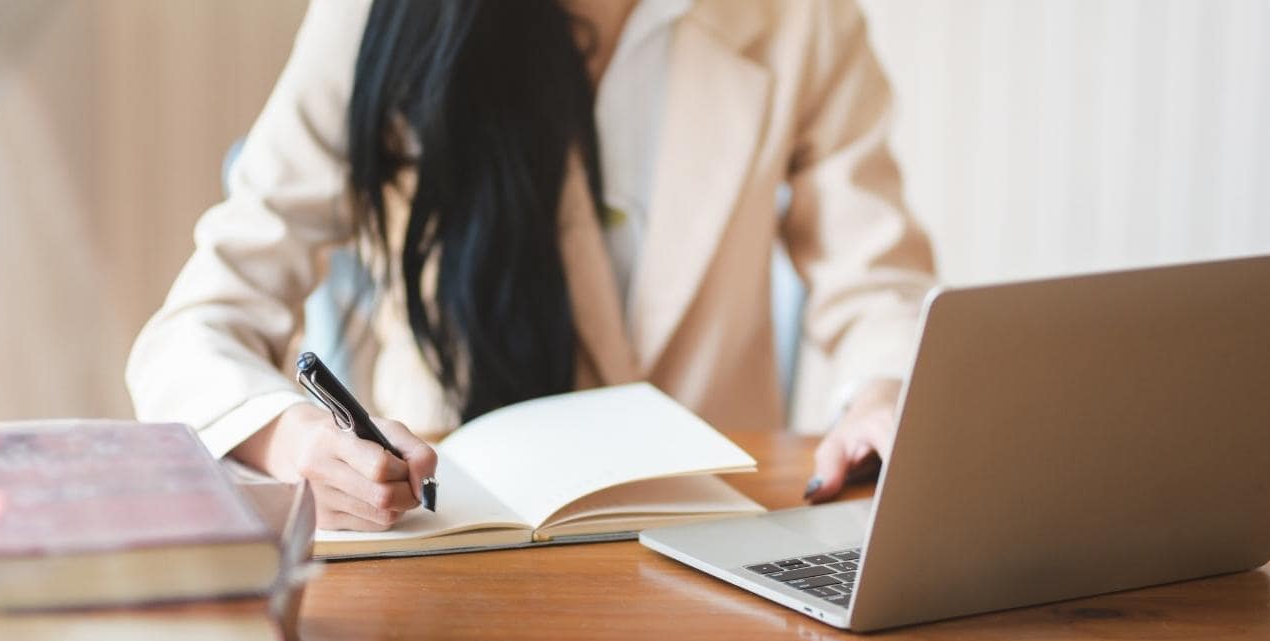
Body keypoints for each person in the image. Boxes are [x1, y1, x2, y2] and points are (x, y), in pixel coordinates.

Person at [127, 0, 935, 532]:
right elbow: (195, 329)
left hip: (713, 540)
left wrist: (881, 393)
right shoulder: (377, 18)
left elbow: (876, 283)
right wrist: (294, 441)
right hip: (456, 540)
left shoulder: (801, 19)